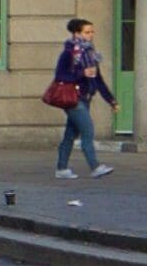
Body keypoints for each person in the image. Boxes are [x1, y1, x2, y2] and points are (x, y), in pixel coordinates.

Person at [48, 17, 116, 180]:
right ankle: (95, 166)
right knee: (88, 130)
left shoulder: (90, 53)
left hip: (85, 97)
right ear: (76, 33)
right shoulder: (69, 53)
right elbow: (60, 75)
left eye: (92, 32)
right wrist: (81, 73)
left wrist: (111, 100)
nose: (91, 35)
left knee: (70, 134)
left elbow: (98, 79)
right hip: (73, 97)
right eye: (87, 32)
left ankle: (61, 168)